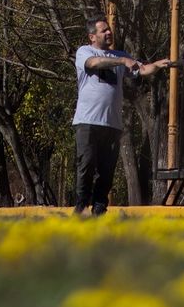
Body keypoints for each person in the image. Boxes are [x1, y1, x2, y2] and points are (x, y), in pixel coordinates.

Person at [71, 16, 169, 216]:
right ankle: (81, 208)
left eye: (109, 29)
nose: (109, 33)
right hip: (87, 121)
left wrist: (157, 65)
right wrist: (122, 60)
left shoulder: (119, 55)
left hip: (113, 123)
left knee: (107, 171)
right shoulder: (85, 52)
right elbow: (94, 63)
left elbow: (141, 69)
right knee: (86, 165)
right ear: (92, 36)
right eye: (103, 30)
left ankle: (99, 210)